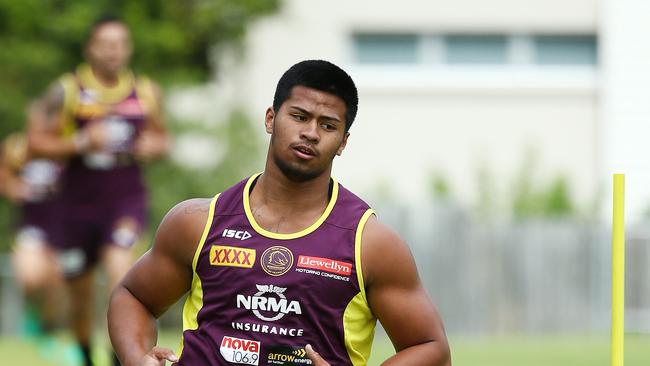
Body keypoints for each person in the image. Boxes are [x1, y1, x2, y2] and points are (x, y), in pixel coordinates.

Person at [108, 60, 450, 366]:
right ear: (271, 118)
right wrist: (137, 357)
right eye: (299, 117)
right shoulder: (198, 222)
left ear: (343, 142)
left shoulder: (370, 244)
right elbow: (133, 296)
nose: (311, 133)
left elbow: (431, 348)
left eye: (328, 125)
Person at [28, 15, 170, 366]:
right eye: (106, 45)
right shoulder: (68, 90)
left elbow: (161, 137)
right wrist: (80, 142)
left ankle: (120, 354)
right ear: (91, 48)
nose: (113, 52)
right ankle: (86, 356)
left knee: (121, 272)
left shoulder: (147, 92)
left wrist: (156, 147)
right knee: (80, 298)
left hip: (124, 202)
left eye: (120, 45)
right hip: (75, 208)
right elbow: (34, 143)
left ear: (128, 49)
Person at [0, 132, 64, 338]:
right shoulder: (18, 146)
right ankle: (30, 319)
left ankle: (48, 325)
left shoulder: (66, 144)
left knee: (58, 279)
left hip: (62, 227)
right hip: (31, 227)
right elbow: (5, 178)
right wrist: (17, 189)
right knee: (30, 277)